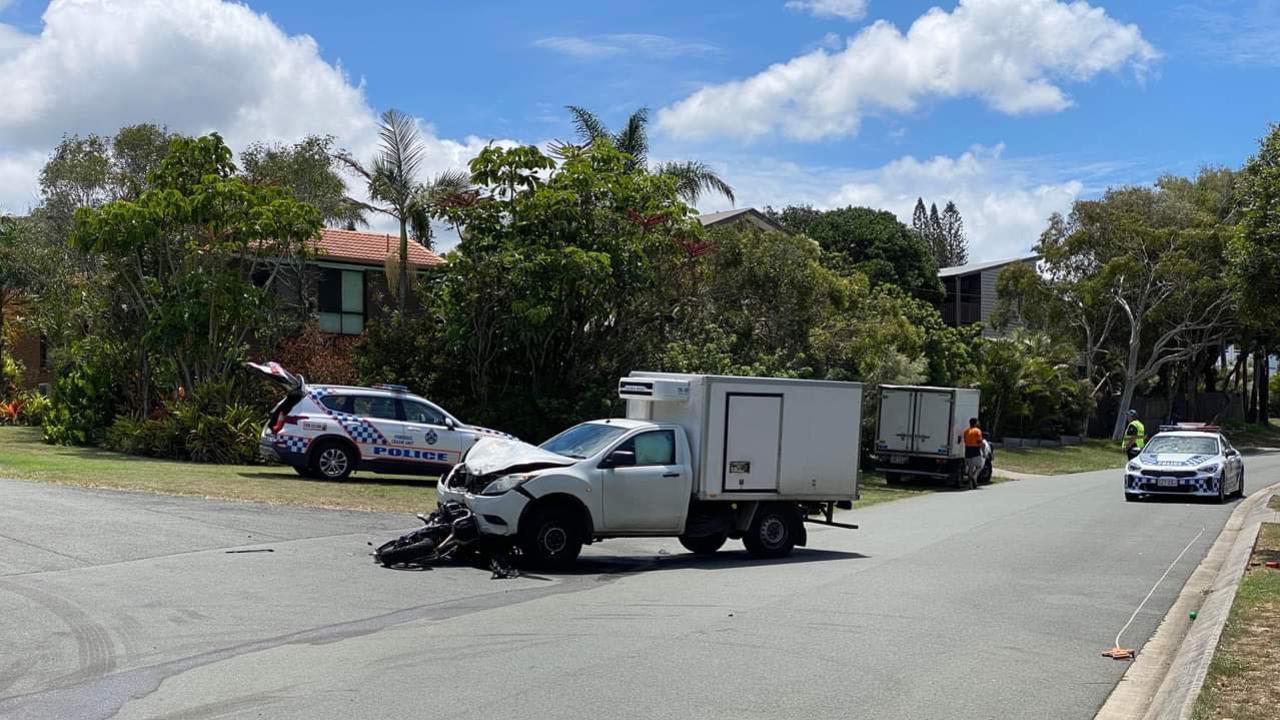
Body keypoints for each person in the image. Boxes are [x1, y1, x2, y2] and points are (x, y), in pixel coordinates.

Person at [963, 418, 984, 485]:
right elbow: (979, 441)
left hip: (967, 450)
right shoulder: (977, 431)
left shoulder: (966, 431)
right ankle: (975, 476)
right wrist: (983, 451)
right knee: (979, 467)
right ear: (975, 423)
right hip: (975, 450)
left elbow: (965, 441)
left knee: (970, 467)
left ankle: (970, 484)